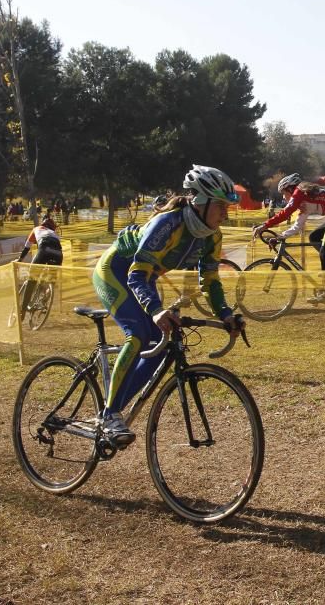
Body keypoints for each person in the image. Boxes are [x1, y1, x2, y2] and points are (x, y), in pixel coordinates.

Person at [91, 164, 243, 445]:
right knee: (138, 334)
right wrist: (156, 310)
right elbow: (136, 275)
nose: (225, 213)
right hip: (115, 272)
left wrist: (225, 314)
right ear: (201, 202)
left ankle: (116, 413)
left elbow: (210, 280)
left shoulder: (212, 235)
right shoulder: (169, 223)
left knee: (160, 347)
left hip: (145, 278)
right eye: (221, 206)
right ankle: (108, 414)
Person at [252, 174, 325, 305]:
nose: (283, 197)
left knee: (324, 251)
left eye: (283, 193)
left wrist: (264, 225)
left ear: (289, 189)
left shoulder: (298, 191)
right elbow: (297, 226)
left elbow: (286, 213)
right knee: (314, 237)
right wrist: (279, 237)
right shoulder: (304, 201)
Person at [17, 215, 64, 316]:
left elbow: (27, 247)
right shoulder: (54, 233)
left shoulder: (37, 229)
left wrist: (20, 259)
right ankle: (45, 299)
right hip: (58, 254)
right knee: (51, 281)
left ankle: (23, 311)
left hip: (44, 250)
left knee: (31, 280)